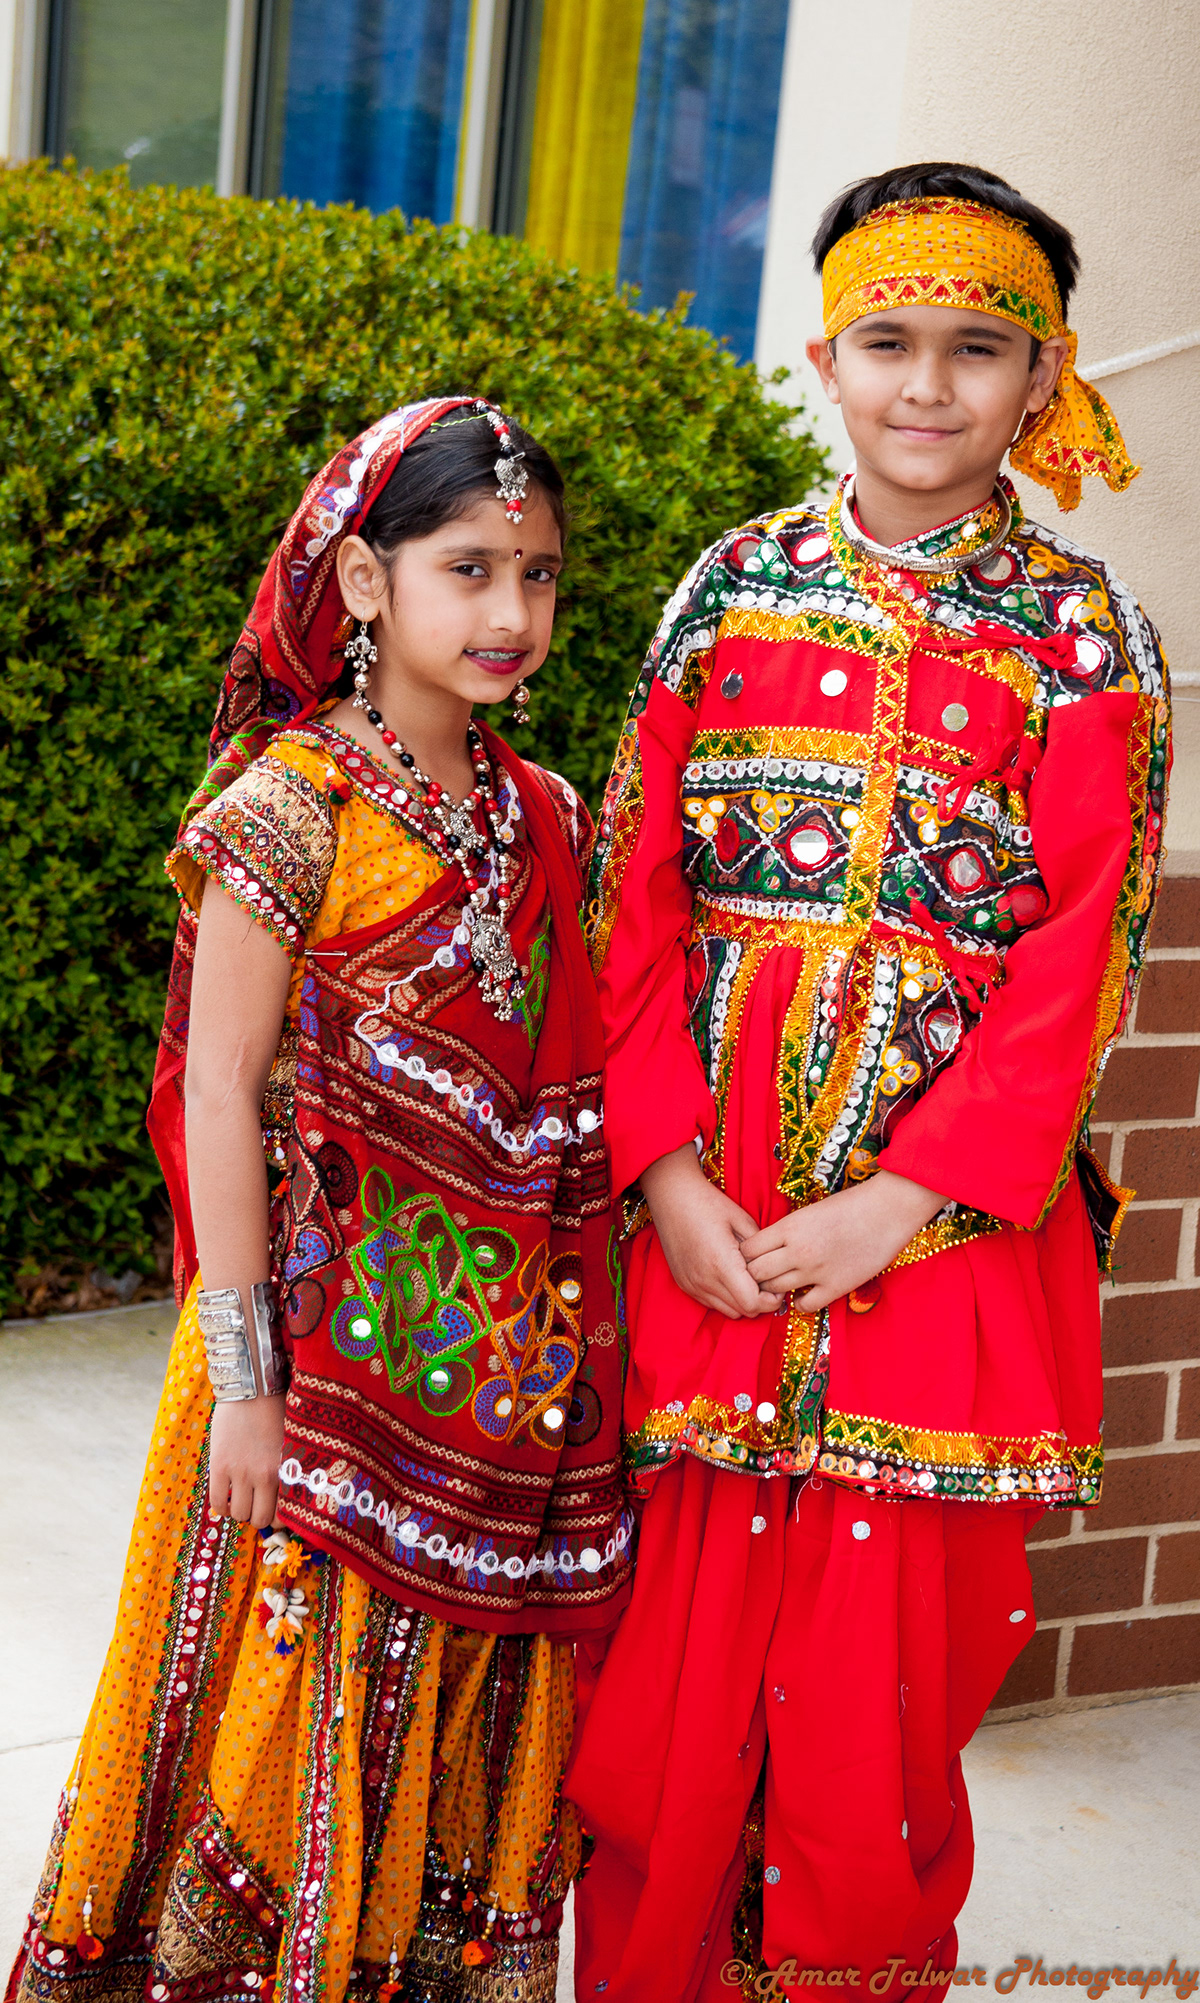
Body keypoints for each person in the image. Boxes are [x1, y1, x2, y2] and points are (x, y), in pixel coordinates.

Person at [567, 163, 1169, 1998]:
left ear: (1045, 378)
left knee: (876, 1722)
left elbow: (1085, 954)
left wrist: (901, 1201)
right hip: (717, 1231)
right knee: (661, 1712)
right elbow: (631, 895)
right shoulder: (726, 590)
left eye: (978, 350)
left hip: (936, 1259)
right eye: (890, 343)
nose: (929, 387)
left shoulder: (1086, 638)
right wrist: (668, 1179)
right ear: (824, 355)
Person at [10, 396, 630, 2003]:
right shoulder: (286, 808)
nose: (513, 614)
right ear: (364, 581)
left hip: (505, 1383)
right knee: (276, 1705)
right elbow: (220, 1090)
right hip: (305, 1371)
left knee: (459, 1729)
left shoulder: (552, 815)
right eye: (470, 568)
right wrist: (239, 1377)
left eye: (542, 576)